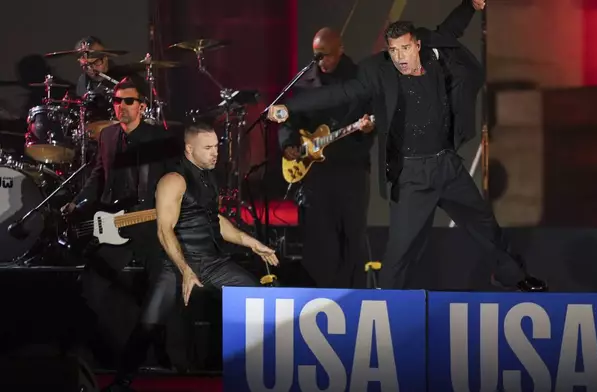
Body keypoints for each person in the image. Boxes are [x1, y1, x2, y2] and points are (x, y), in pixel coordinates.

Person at [267, 0, 547, 292]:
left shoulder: (435, 57)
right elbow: (340, 93)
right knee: (401, 252)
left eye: (404, 48)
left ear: (417, 45)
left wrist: (470, 6)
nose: (399, 57)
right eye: (393, 50)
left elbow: (451, 29)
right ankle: (389, 305)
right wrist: (289, 108)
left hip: (446, 166)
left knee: (484, 225)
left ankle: (512, 275)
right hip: (411, 174)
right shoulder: (378, 71)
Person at [102, 122, 278, 391]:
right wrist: (184, 269)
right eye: (207, 148)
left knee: (257, 300)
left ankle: (260, 376)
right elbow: (164, 230)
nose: (214, 153)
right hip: (175, 262)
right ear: (189, 149)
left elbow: (214, 219)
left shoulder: (208, 176)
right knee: (148, 324)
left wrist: (250, 242)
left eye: (216, 147)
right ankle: (120, 383)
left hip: (211, 261)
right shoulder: (173, 180)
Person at [60, 77, 179, 387]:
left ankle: (165, 359)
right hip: (116, 223)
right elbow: (99, 172)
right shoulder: (109, 136)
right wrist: (79, 202)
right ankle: (82, 355)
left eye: (128, 101)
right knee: (91, 282)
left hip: (151, 224)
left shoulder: (159, 138)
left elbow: (179, 179)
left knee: (160, 287)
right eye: (116, 101)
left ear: (141, 105)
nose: (121, 107)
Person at [278, 27, 375, 289]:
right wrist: (288, 144)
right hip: (314, 175)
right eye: (317, 56)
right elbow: (288, 119)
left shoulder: (359, 80)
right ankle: (319, 297)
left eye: (327, 55)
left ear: (341, 49)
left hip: (350, 169)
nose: (321, 62)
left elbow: (372, 120)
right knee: (319, 240)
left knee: (351, 238)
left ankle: (355, 300)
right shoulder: (304, 82)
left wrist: (367, 129)